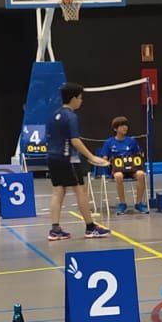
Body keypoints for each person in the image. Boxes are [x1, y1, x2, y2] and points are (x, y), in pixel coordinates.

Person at [44, 83, 111, 240]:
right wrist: (91, 157)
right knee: (81, 191)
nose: (81, 101)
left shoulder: (54, 115)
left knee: (58, 191)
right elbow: (75, 140)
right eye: (80, 98)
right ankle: (90, 227)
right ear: (73, 98)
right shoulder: (71, 116)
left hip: (53, 158)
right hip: (68, 159)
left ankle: (55, 229)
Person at [99, 116, 148, 214]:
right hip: (118, 169)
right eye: (121, 126)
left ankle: (139, 203)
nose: (125, 127)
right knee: (118, 176)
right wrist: (107, 162)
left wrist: (141, 155)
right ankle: (122, 203)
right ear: (115, 129)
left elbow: (138, 154)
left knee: (141, 174)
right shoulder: (109, 142)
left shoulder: (132, 141)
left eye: (125, 125)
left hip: (132, 169)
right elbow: (104, 158)